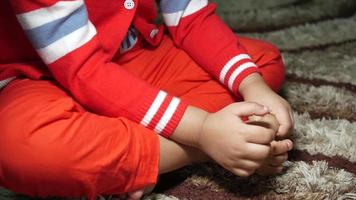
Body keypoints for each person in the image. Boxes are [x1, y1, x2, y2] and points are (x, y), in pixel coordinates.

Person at [0, 0, 294, 199]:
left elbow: (192, 17)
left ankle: (132, 156)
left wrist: (252, 84)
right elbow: (84, 69)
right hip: (41, 78)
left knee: (260, 62)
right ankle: (195, 148)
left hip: (132, 54)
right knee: (17, 146)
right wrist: (203, 132)